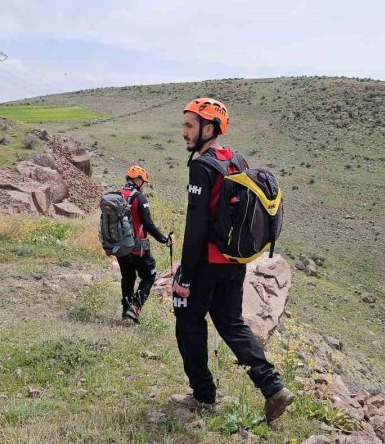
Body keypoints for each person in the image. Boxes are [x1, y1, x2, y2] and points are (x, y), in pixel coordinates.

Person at [171, 98, 294, 423]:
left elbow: (195, 227)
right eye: (184, 124)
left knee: (188, 322)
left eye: (189, 125)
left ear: (208, 129)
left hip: (207, 264)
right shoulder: (236, 159)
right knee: (231, 323)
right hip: (235, 262)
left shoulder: (202, 167)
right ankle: (273, 387)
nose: (183, 132)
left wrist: (184, 276)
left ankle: (203, 396)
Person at [118, 165, 173, 323]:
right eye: (144, 183)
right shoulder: (139, 198)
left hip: (120, 247)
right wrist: (164, 239)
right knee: (149, 276)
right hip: (138, 248)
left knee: (127, 277)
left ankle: (125, 311)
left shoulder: (117, 195)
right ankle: (135, 307)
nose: (144, 187)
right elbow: (148, 224)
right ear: (137, 180)